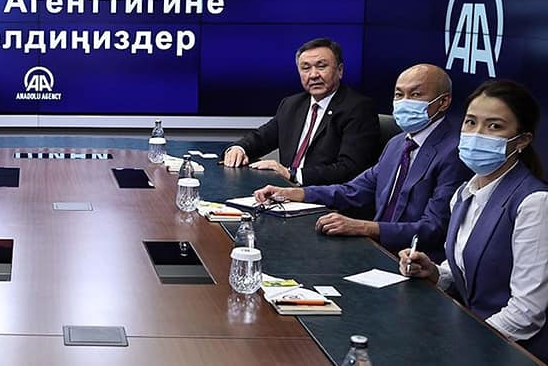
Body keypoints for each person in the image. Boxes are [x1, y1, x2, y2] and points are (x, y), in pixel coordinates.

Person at [253, 64, 472, 260]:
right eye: (399, 94)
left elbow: (433, 229)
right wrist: (295, 193)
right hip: (377, 250)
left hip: (416, 261)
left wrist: (363, 227)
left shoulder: (454, 152)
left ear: (443, 102)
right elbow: (354, 191)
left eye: (415, 94)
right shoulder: (398, 143)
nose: (404, 102)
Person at [400, 79, 548, 361]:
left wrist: (461, 343)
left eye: (494, 126)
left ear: (522, 140)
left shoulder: (535, 203)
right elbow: (467, 270)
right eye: (470, 122)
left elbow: (527, 312)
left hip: (510, 351)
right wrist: (434, 272)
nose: (477, 133)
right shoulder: (464, 193)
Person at [223, 37, 380, 185]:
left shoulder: (359, 108)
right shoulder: (292, 104)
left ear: (340, 70)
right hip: (285, 193)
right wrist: (239, 148)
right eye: (306, 68)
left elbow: (350, 169)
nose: (313, 75)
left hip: (326, 197)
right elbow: (261, 138)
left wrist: (293, 174)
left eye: (321, 66)